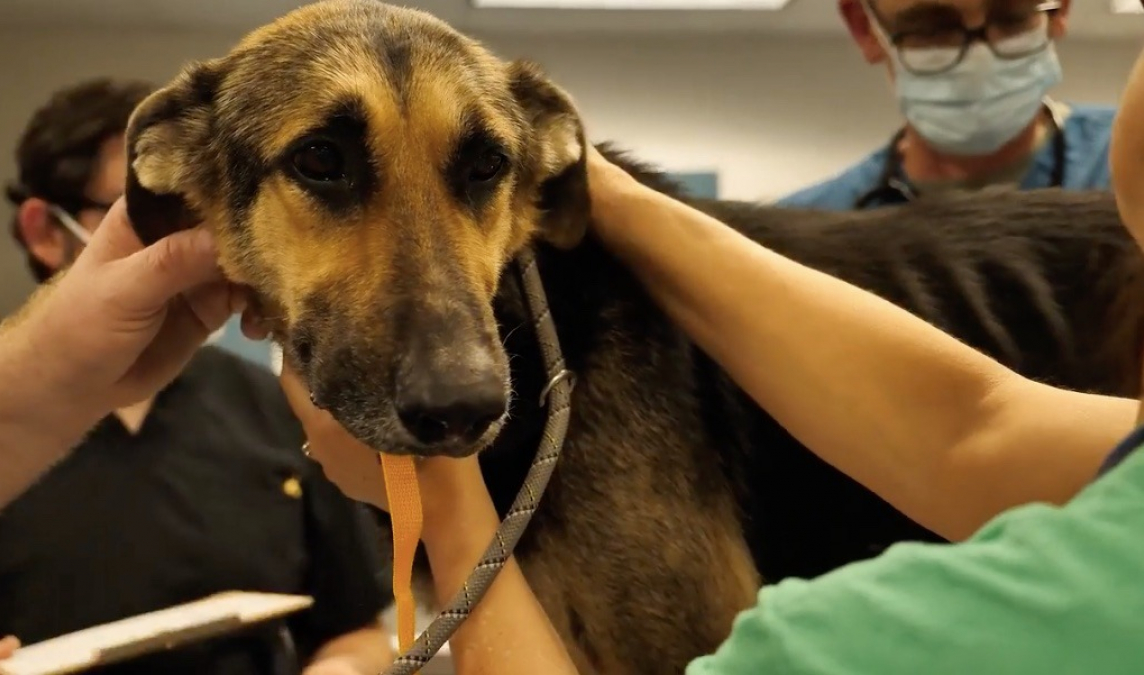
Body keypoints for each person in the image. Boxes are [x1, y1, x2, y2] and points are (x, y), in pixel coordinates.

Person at [265, 30, 1144, 675]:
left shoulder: (843, 642)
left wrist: (446, 497)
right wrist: (600, 186)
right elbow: (972, 425)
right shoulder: (1110, 472)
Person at [0, 78, 395, 675]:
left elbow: (355, 630)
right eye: (152, 208)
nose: (193, 235)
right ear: (46, 232)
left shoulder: (276, 407)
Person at [777, 0, 1114, 210]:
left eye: (1010, 16)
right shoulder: (803, 243)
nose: (979, 61)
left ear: (1061, 7)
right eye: (931, 28)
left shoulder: (1128, 167)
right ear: (864, 28)